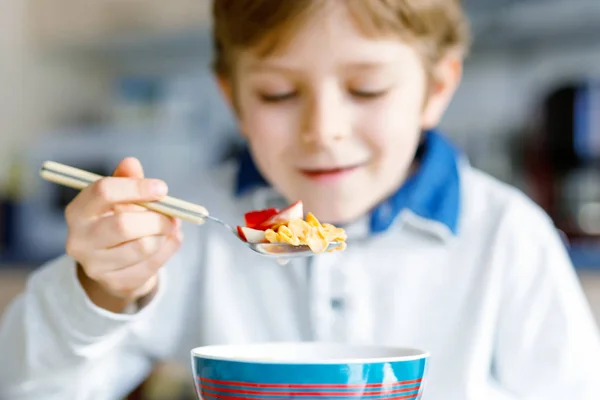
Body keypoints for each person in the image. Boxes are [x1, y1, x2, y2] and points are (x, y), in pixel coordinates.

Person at [1, 1, 600, 399]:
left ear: (436, 87)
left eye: (366, 88)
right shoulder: (192, 234)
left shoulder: (506, 236)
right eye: (279, 93)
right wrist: (99, 292)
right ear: (233, 98)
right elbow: (28, 388)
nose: (324, 129)